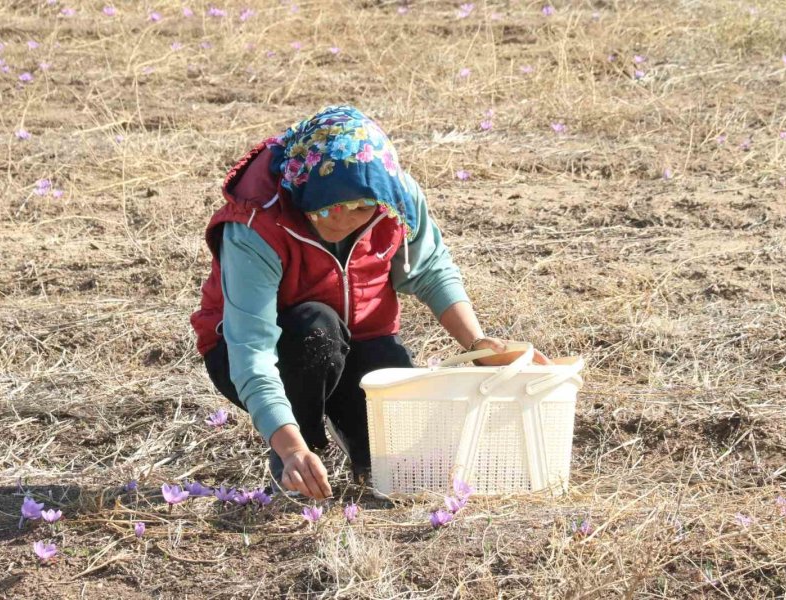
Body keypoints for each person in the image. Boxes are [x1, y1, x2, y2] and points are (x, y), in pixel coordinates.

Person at [191, 106, 549, 500]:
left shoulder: (391, 197)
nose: (346, 219)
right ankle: (302, 454)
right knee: (316, 327)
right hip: (264, 351)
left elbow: (430, 269)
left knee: (398, 460)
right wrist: (291, 447)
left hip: (362, 340)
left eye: (361, 208)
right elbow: (252, 351)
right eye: (327, 208)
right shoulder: (256, 225)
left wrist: (478, 343)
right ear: (302, 191)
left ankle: (353, 446)